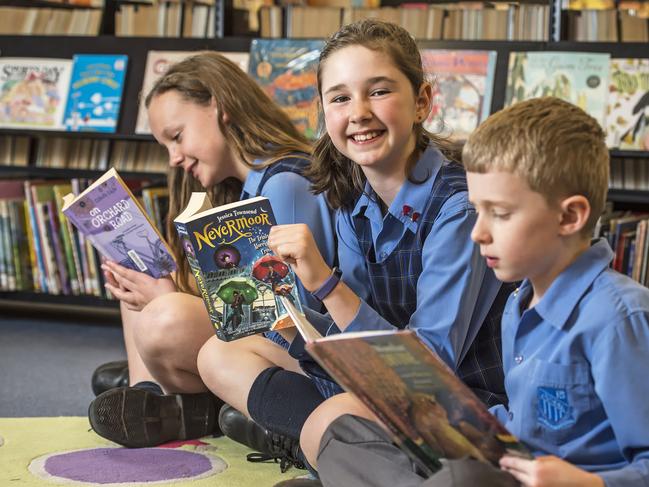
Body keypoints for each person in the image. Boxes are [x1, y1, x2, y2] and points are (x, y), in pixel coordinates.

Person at [196, 18, 513, 474]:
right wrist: (298, 328)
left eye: (379, 91)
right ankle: (329, 448)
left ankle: (321, 447)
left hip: (453, 401)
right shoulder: (354, 202)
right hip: (379, 381)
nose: (359, 112)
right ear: (324, 113)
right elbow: (357, 337)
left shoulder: (458, 210)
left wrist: (324, 283)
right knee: (219, 352)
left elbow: (426, 369)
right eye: (341, 98)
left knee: (332, 416)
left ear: (422, 101)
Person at [312, 97, 649, 487]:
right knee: (342, 435)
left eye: (500, 214)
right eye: (478, 210)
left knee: (462, 478)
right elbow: (524, 428)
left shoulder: (619, 317)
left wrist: (587, 483)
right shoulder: (519, 305)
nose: (478, 233)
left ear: (570, 216)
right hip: (504, 468)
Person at [87, 51, 336, 450]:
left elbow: (295, 314)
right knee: (140, 278)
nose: (174, 157)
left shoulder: (284, 183)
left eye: (177, 136)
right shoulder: (235, 185)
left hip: (301, 350)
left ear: (219, 108)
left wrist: (169, 300)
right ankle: (150, 391)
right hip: (258, 337)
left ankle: (181, 400)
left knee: (163, 315)